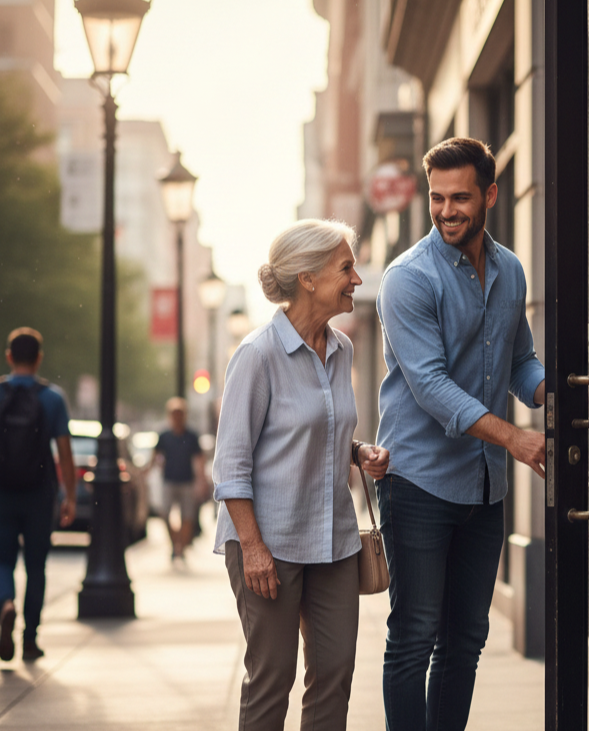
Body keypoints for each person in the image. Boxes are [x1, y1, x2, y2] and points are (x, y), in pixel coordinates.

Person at [375, 137, 546, 730]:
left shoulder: (510, 270)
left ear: (490, 195)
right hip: (418, 483)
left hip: (484, 488)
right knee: (415, 637)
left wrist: (551, 392)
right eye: (437, 198)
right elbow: (432, 386)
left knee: (467, 637)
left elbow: (520, 360)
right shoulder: (408, 279)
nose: (446, 210)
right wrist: (516, 439)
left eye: (460, 198)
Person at [213, 219, 390, 730]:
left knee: (334, 673)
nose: (356, 278)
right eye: (346, 268)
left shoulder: (342, 350)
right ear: (308, 279)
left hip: (333, 542)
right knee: (272, 678)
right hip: (267, 544)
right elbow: (232, 464)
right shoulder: (257, 356)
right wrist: (251, 547)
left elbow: (319, 427)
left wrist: (358, 452)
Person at [0, 328, 76, 662]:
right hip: (38, 494)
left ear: (9, 356)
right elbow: (64, 452)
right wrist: (69, 495)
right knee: (36, 566)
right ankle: (30, 639)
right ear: (39, 358)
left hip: (2, 493)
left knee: (1, 560)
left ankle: (5, 603)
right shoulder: (52, 398)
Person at [148, 398, 206, 561]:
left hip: (187, 481)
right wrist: (148, 471)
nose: (177, 417)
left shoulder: (192, 436)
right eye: (174, 413)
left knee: (188, 516)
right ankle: (175, 542)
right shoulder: (164, 436)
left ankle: (181, 546)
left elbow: (199, 459)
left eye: (180, 413)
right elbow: (155, 456)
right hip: (169, 481)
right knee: (164, 513)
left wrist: (201, 481)